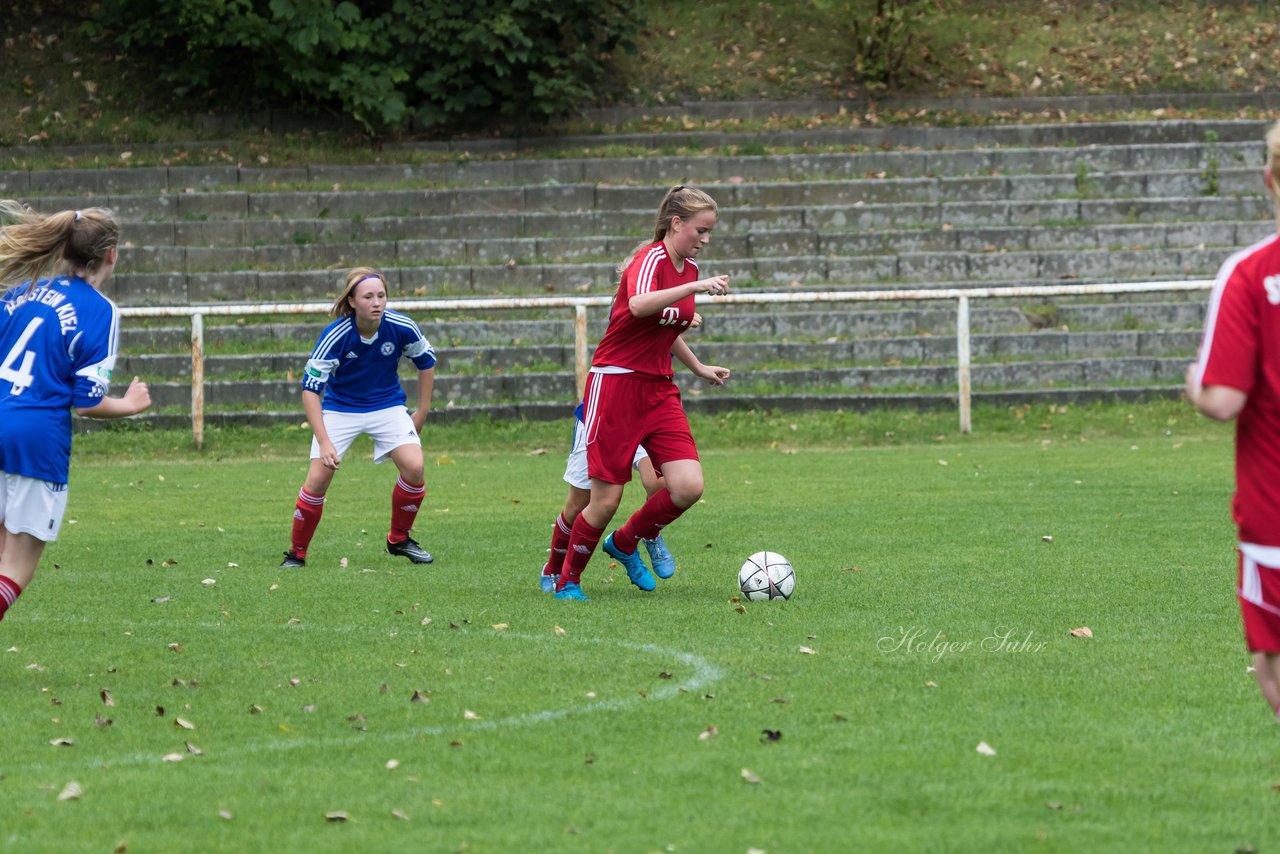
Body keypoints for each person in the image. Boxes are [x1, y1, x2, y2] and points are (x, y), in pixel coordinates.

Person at [554, 186, 731, 601]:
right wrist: (694, 288)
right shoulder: (649, 259)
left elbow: (663, 331)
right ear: (676, 223)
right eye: (700, 230)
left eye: (710, 233)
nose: (705, 240)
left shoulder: (687, 270)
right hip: (615, 385)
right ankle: (568, 581)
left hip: (658, 389)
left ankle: (627, 541)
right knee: (605, 499)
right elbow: (638, 305)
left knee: (687, 486)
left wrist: (699, 368)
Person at [0, 201, 152, 622]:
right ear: (111, 254)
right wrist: (129, 404)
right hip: (36, 439)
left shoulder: (21, 291)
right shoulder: (101, 310)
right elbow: (86, 402)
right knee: (13, 570)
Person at [1186, 119, 1280, 719]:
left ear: (1271, 179)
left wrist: (1194, 385)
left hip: (1276, 517)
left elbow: (1223, 400)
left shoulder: (1252, 273)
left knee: (1271, 663)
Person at [280, 267, 437, 567]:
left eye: (381, 295)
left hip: (387, 406)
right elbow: (310, 390)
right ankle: (296, 553)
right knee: (317, 479)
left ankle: (399, 539)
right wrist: (325, 442)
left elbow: (426, 361)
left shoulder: (402, 326)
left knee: (415, 467)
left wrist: (422, 411)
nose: (376, 302)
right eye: (368, 296)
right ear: (352, 301)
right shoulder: (335, 336)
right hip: (340, 409)